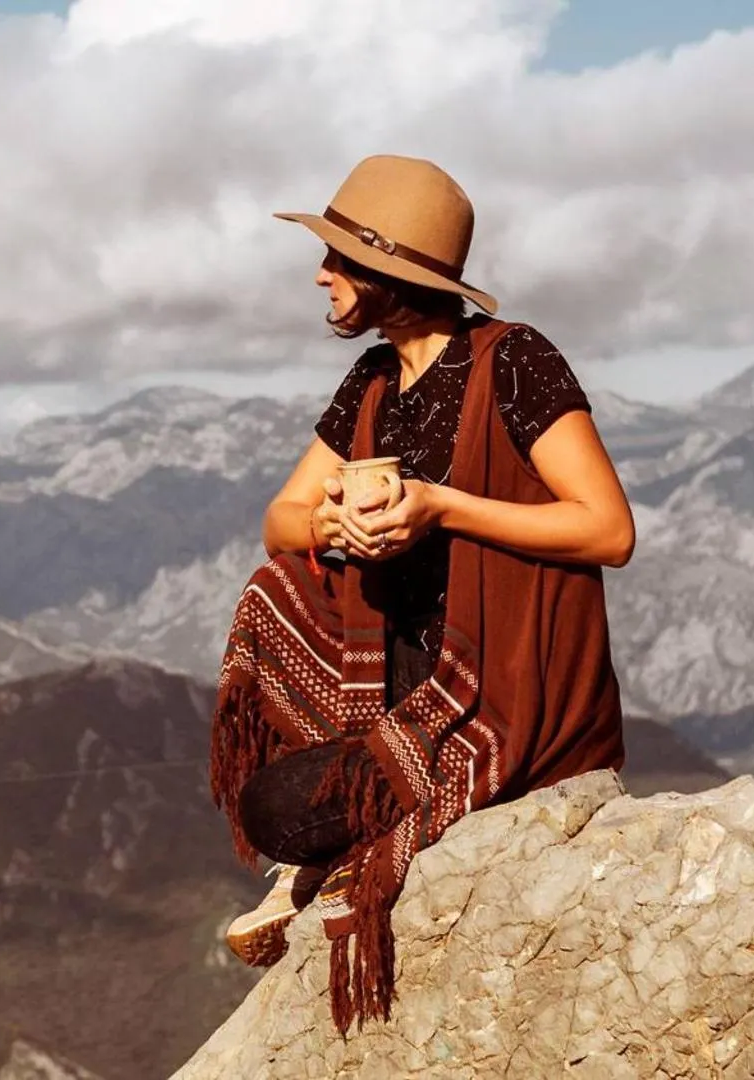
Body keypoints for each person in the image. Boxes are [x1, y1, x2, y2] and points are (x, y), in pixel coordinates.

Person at [209, 155, 636, 1034]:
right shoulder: (371, 381)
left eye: (336, 257)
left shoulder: (512, 361)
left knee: (277, 810)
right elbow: (281, 519)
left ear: (388, 273)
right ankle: (340, 827)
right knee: (272, 591)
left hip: (499, 697)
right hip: (396, 685)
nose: (320, 273)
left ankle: (330, 849)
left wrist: (439, 508)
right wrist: (337, 530)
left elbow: (606, 529)